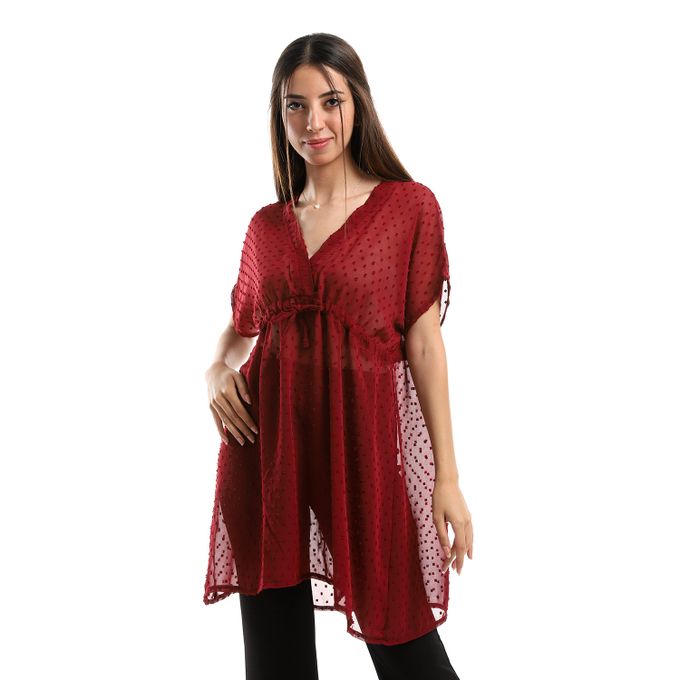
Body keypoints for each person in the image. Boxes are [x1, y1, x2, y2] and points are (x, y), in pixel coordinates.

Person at [203, 32, 473, 680]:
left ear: (358, 103)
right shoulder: (267, 227)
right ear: (280, 116)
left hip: (362, 455)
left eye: (330, 101)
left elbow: (425, 344)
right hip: (266, 455)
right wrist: (215, 369)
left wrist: (447, 477)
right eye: (295, 106)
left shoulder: (409, 208)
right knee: (276, 665)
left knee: (408, 648)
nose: (313, 122)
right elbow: (240, 328)